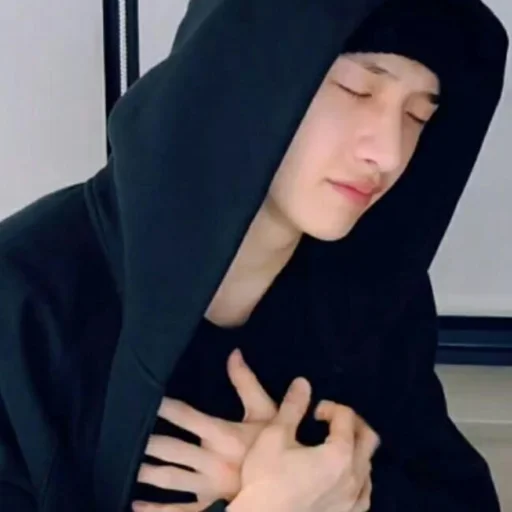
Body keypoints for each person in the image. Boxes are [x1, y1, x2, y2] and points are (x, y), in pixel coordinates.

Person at [0, 0, 508, 511]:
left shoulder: (373, 293)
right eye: (356, 89)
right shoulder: (22, 297)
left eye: (418, 114)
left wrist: (345, 491)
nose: (390, 153)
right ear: (247, 71)